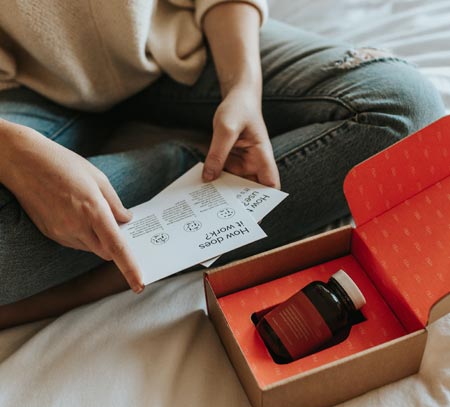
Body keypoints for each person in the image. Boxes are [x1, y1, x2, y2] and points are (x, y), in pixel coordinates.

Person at [0, 0, 445, 329]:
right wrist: (14, 150)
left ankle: (110, 269)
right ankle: (180, 194)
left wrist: (244, 88)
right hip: (17, 92)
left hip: (175, 40)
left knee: (404, 112)